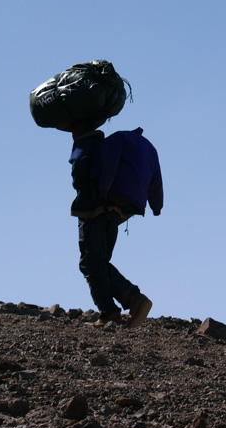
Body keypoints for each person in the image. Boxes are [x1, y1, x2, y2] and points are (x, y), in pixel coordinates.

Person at [69, 121, 162, 328]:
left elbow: (105, 166)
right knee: (99, 261)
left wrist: (101, 192)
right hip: (123, 209)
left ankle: (125, 303)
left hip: (98, 204)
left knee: (91, 262)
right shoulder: (147, 146)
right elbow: (156, 179)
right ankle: (117, 306)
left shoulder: (97, 143)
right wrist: (157, 206)